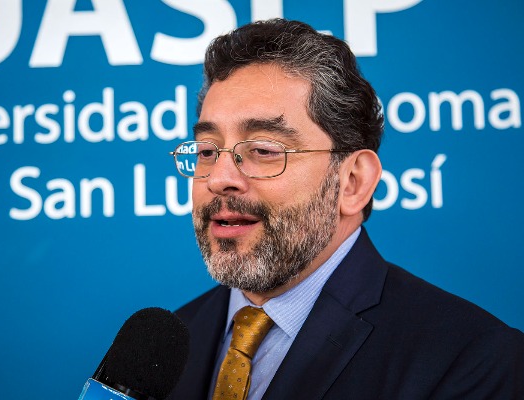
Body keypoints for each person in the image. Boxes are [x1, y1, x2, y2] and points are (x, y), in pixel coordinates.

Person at [166, 19, 524, 399]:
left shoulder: (472, 360)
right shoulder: (171, 342)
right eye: (207, 151)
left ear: (353, 182)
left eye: (264, 150)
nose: (219, 178)